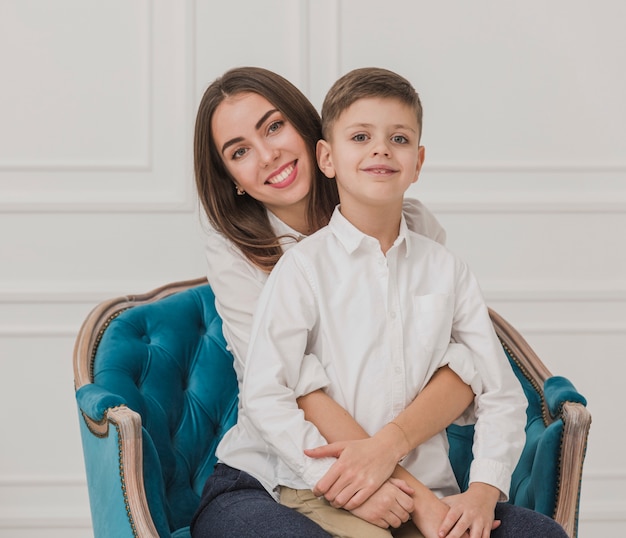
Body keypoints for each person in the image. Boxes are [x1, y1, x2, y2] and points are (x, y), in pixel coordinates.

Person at [195, 67, 569, 538]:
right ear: (232, 178)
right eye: (240, 151)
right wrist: (407, 496)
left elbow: (469, 371)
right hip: (280, 475)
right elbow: (286, 392)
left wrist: (473, 487)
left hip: (404, 474)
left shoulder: (430, 249)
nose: (268, 154)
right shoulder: (268, 262)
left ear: (313, 139)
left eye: (273, 127)